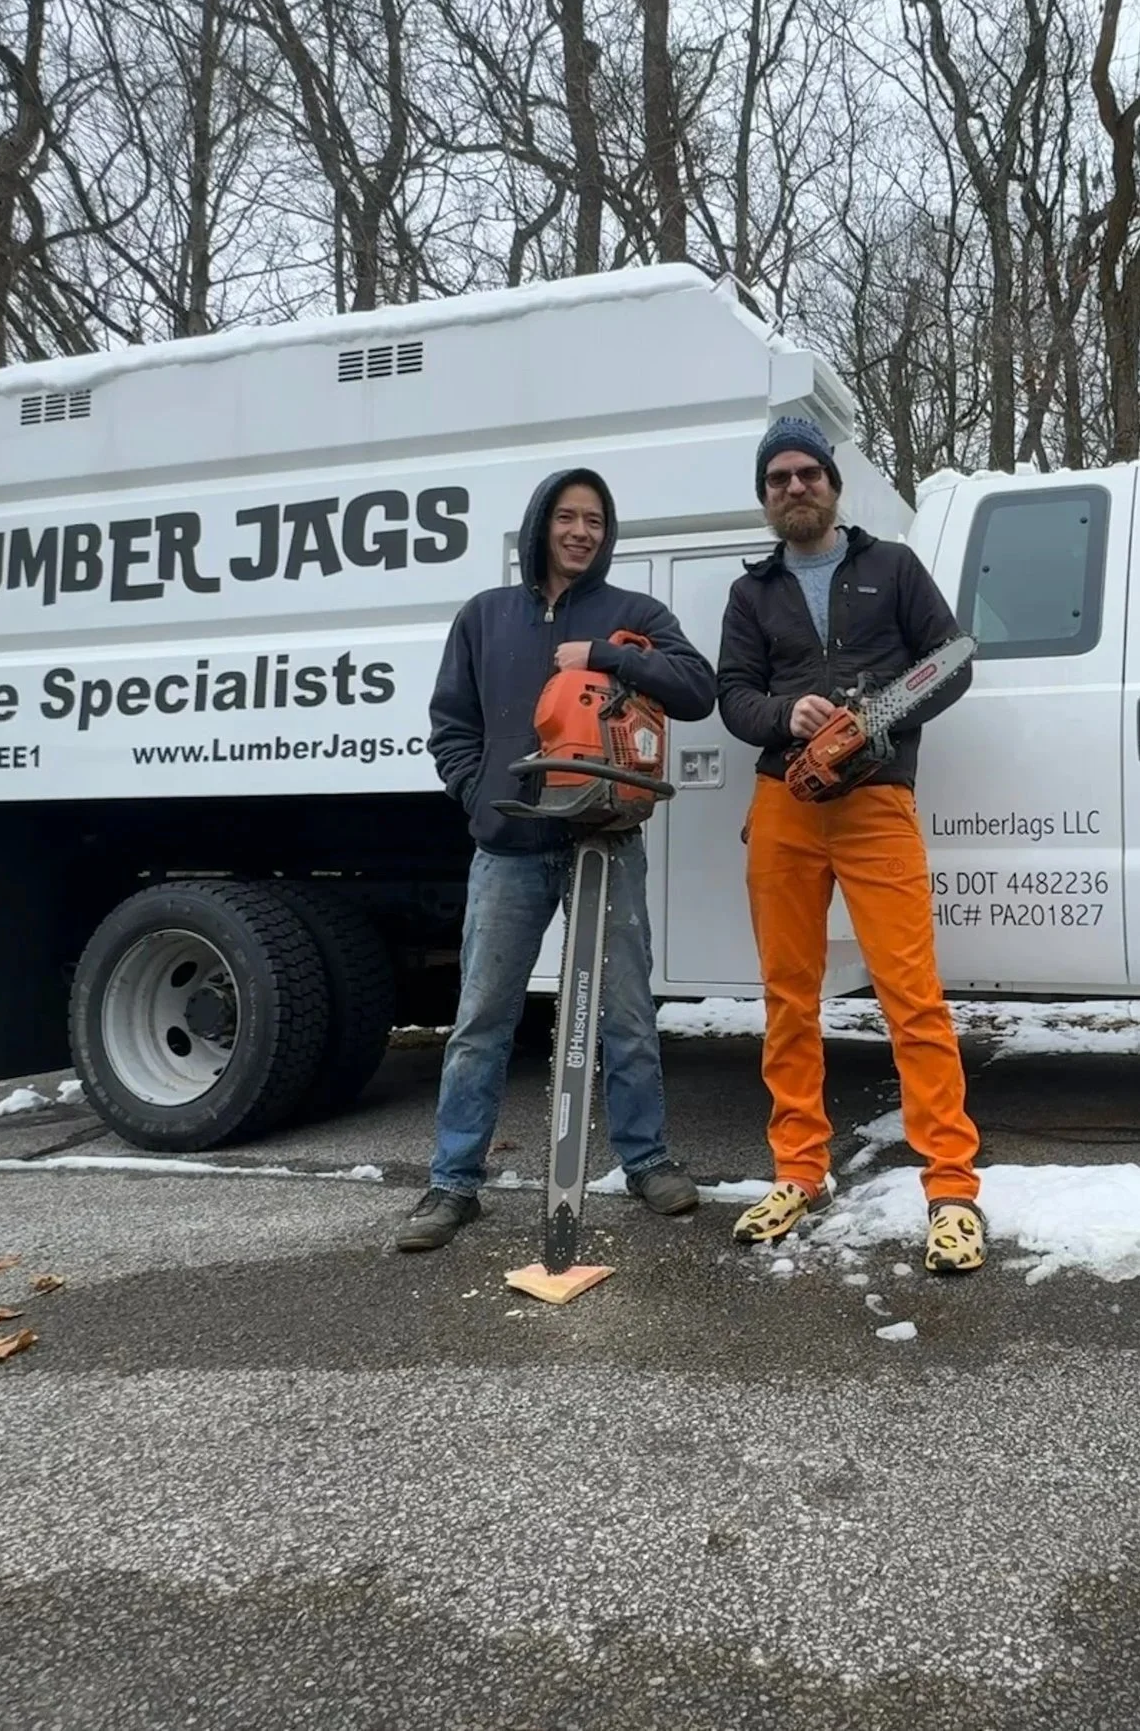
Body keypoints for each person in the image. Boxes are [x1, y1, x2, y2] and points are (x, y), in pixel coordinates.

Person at [395, 467, 718, 1252]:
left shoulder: (631, 614)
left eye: (596, 521)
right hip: (507, 843)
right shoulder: (485, 617)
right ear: (541, 524)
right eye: (568, 517)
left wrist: (607, 655)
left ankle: (646, 1161)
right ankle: (453, 1182)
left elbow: (698, 688)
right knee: (482, 1015)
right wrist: (476, 792)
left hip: (604, 839)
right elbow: (451, 724)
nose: (582, 532)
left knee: (627, 1011)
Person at [718, 416, 986, 1273]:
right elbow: (732, 694)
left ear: (833, 483)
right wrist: (783, 715)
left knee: (912, 993)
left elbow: (952, 658)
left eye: (808, 473)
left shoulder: (892, 567)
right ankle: (799, 1165)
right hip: (784, 806)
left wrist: (873, 720)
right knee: (787, 994)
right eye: (778, 479)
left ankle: (951, 1185)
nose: (795, 487)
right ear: (766, 496)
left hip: (875, 802)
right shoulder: (750, 593)